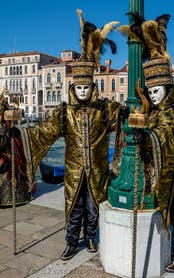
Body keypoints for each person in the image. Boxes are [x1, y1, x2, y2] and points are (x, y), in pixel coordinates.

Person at [10, 10, 128, 260]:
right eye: (80, 88)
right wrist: (18, 134)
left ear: (92, 88)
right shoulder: (64, 113)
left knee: (93, 207)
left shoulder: (105, 110)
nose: (83, 91)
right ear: (74, 89)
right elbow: (44, 132)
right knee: (74, 208)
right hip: (74, 172)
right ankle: (72, 242)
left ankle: (92, 239)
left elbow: (126, 123)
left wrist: (132, 116)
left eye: (87, 87)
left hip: (96, 171)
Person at [132, 58, 174, 273]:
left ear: (166, 89)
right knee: (170, 213)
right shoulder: (153, 113)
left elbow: (169, 136)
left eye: (157, 91)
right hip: (160, 174)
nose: (154, 95)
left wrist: (147, 136)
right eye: (151, 92)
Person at [0, 93, 31, 206]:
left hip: (6, 153)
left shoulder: (7, 125)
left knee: (12, 163)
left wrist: (12, 134)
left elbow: (13, 140)